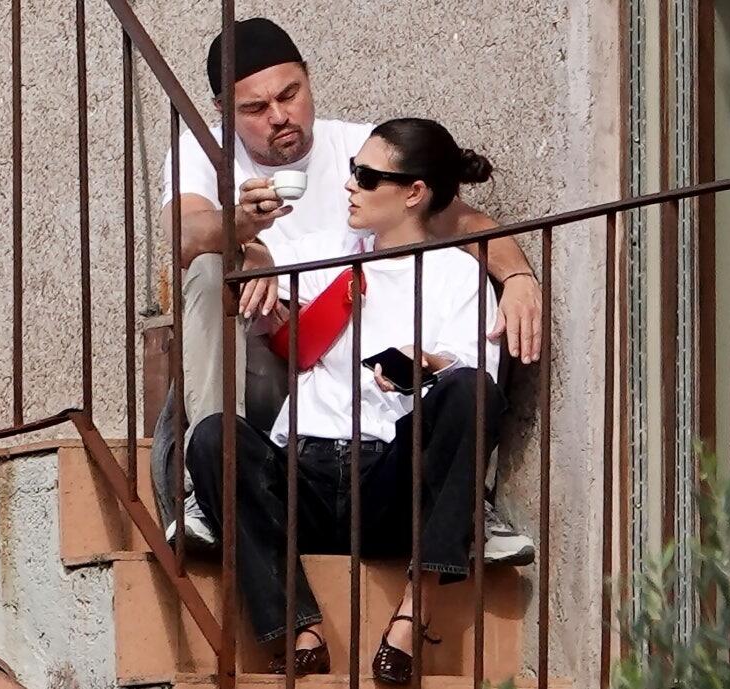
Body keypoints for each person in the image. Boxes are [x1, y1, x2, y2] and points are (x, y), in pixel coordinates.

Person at [151, 17, 536, 565]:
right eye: (255, 108)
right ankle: (208, 492)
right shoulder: (201, 149)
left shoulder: (363, 150)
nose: (279, 116)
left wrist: (518, 278)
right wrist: (244, 233)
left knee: (465, 344)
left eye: (290, 94)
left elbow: (463, 221)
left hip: (357, 372)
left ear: (309, 79)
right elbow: (185, 237)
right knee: (211, 270)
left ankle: (467, 506)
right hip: (263, 357)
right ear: (223, 112)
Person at [187, 118, 507, 684]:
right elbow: (239, 255)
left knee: (472, 390)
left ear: (414, 192)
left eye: (367, 175)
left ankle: (414, 612)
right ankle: (299, 630)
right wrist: (251, 241)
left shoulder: (458, 275)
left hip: (387, 485)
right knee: (215, 437)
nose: (350, 184)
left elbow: (474, 384)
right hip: (302, 475)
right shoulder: (328, 251)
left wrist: (428, 364)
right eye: (354, 170)